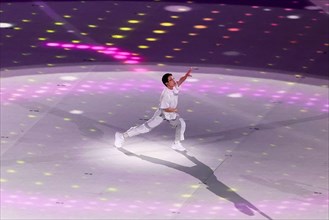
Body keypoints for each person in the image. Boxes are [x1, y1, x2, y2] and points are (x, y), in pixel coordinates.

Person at [114, 68, 192, 151]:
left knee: (181, 123)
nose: (173, 80)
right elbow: (165, 109)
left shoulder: (174, 87)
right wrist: (174, 110)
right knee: (145, 129)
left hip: (171, 113)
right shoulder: (165, 95)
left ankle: (176, 143)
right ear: (167, 83)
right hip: (161, 114)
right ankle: (122, 136)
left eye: (173, 78)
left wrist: (186, 76)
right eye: (171, 79)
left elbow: (180, 81)